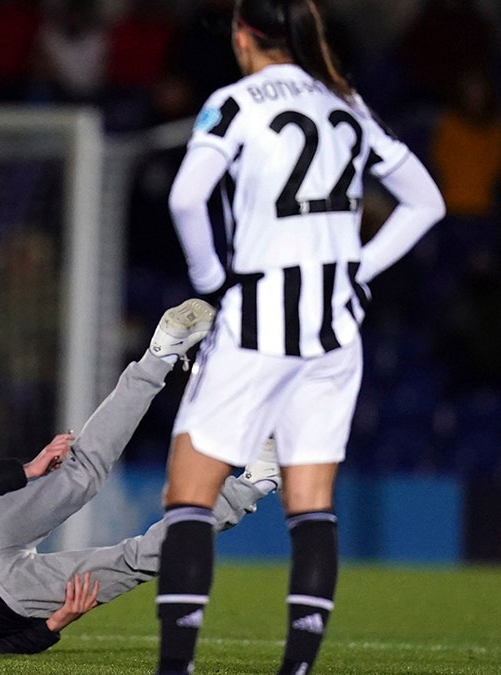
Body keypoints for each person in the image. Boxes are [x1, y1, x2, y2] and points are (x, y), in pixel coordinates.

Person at [154, 2, 446, 674]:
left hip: (259, 316)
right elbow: (425, 201)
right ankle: (298, 669)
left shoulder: (233, 103)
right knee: (311, 505)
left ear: (242, 35)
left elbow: (184, 197)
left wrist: (211, 276)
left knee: (189, 494)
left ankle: (175, 666)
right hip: (336, 326)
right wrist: (358, 267)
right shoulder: (344, 103)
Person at [0, 299, 279, 654]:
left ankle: (254, 483)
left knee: (133, 561)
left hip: (7, 600)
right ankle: (161, 353)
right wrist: (24, 471)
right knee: (81, 470)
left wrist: (49, 627)